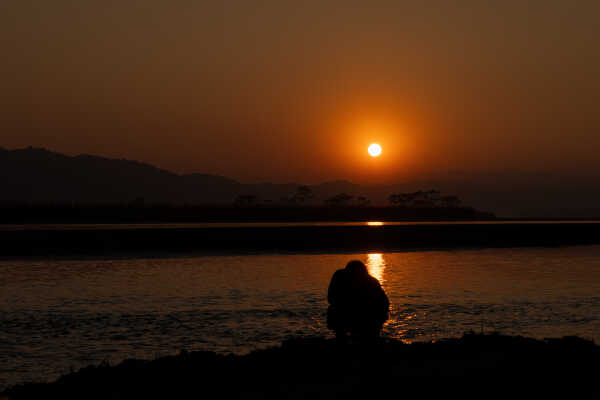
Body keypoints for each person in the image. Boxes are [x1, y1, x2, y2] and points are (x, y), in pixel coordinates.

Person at [327, 260, 389, 341]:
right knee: (335, 310)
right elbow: (331, 298)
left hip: (369, 315)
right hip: (349, 314)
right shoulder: (339, 276)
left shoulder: (371, 281)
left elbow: (384, 303)